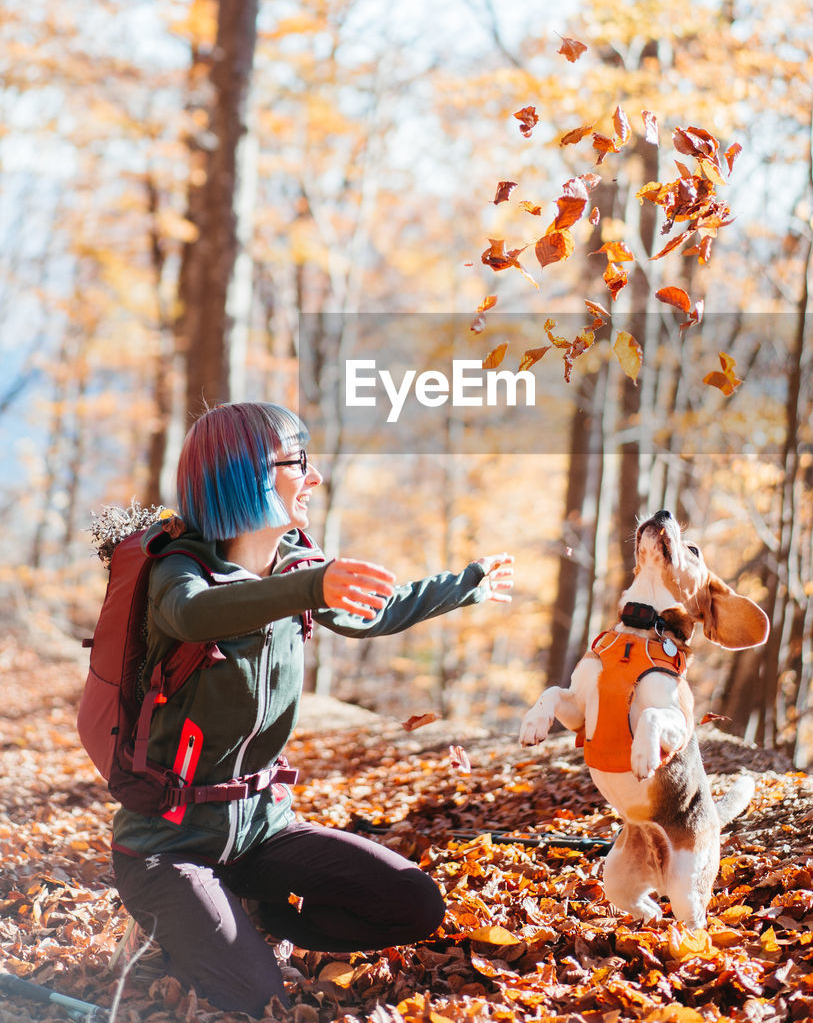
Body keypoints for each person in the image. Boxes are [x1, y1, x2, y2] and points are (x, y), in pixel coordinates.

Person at [111, 401, 513, 1015]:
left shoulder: (298, 561)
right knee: (261, 1000)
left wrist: (467, 583)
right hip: (166, 847)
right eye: (299, 462)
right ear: (243, 473)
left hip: (261, 833)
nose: (316, 477)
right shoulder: (178, 571)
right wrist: (307, 587)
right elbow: (193, 616)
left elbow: (376, 611)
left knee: (415, 905)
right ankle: (190, 924)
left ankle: (259, 913)